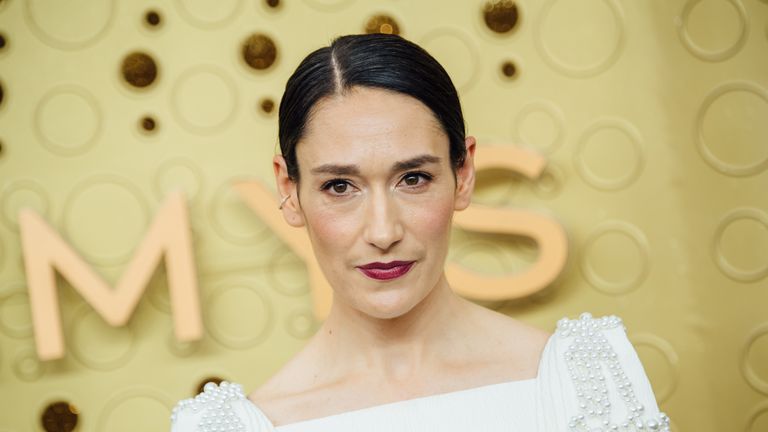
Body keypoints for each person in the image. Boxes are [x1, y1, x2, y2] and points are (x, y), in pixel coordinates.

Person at [170, 33, 670, 432]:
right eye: (340, 186)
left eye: (414, 178)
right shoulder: (229, 427)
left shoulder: (588, 377)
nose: (383, 231)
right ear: (289, 187)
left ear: (464, 174)